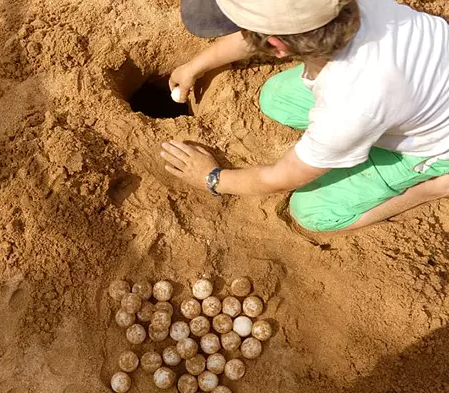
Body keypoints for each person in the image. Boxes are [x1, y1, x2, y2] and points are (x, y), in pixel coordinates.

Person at [160, 0, 449, 232]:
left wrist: (211, 178)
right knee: (275, 98)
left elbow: (279, 178)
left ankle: (431, 188)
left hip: (435, 145)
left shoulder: (348, 106)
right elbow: (269, 28)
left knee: (311, 213)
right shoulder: (347, 6)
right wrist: (196, 65)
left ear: (278, 46)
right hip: (418, 89)